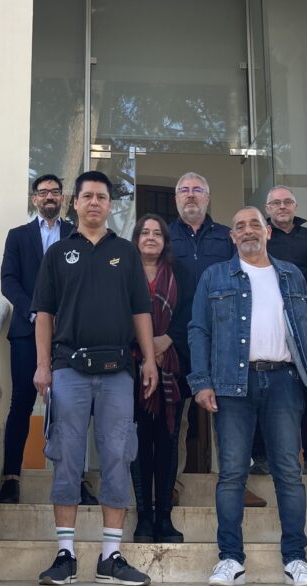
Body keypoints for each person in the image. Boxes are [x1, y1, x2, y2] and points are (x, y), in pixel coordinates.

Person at [32, 170, 158, 586]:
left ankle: (110, 556)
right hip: (68, 370)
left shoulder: (125, 253)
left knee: (118, 456)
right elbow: (44, 314)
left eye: (101, 197)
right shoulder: (57, 253)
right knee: (67, 457)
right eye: (87, 196)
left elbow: (141, 310)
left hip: (117, 372)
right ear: (75, 203)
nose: (94, 203)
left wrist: (149, 360)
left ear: (109, 205)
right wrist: (43, 365)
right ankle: (65, 554)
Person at [188, 206, 307, 586]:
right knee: (232, 473)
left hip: (284, 381)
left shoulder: (291, 275)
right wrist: (202, 382)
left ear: (268, 232)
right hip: (232, 385)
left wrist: (306, 379)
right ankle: (231, 559)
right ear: (232, 236)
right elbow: (198, 329)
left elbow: (306, 329)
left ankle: (296, 559)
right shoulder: (215, 276)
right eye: (240, 226)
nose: (248, 231)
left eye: (255, 225)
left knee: (289, 473)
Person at [167, 172, 265, 507]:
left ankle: (238, 482)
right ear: (176, 198)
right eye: (184, 190)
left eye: (198, 190)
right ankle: (170, 483)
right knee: (176, 418)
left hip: (225, 340)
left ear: (208, 198)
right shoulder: (165, 237)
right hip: (177, 340)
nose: (191, 195)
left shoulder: (227, 237)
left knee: (229, 415)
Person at [0, 173, 81, 504]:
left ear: (62, 199)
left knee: (71, 407)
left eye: (55, 192)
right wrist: (35, 314)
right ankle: (11, 478)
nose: (49, 196)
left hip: (69, 335)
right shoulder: (18, 236)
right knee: (21, 404)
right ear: (34, 199)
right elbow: (8, 280)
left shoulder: (75, 235)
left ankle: (74, 479)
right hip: (25, 332)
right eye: (43, 192)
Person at [248, 185, 307, 477]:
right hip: (268, 327)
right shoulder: (260, 238)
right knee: (263, 390)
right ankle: (261, 456)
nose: (282, 207)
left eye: (287, 202)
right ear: (267, 209)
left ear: (295, 207)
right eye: (275, 203)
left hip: (306, 328)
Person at [129, 214, 188, 544]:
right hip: (131, 368)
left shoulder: (180, 272)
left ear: (165, 241)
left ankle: (164, 517)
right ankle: (143, 517)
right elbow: (115, 312)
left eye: (157, 233)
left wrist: (168, 340)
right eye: (145, 233)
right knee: (139, 444)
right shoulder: (124, 272)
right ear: (136, 239)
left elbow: (191, 312)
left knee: (167, 443)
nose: (151, 238)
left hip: (172, 367)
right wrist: (144, 346)